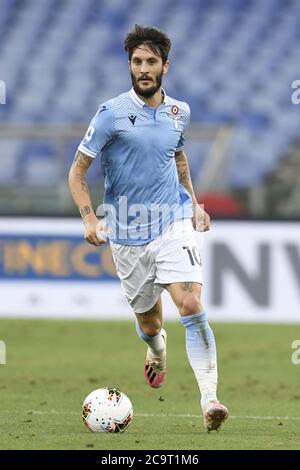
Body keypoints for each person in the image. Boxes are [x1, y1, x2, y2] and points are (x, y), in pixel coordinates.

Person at [68, 24, 228, 432]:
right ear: (129, 65)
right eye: (137, 61)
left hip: (172, 222)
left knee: (191, 305)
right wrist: (89, 217)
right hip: (125, 233)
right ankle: (157, 351)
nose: (143, 68)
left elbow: (179, 160)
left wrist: (194, 206)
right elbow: (77, 172)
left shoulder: (180, 112)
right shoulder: (111, 114)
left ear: (164, 67)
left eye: (151, 62)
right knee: (150, 324)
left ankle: (210, 400)